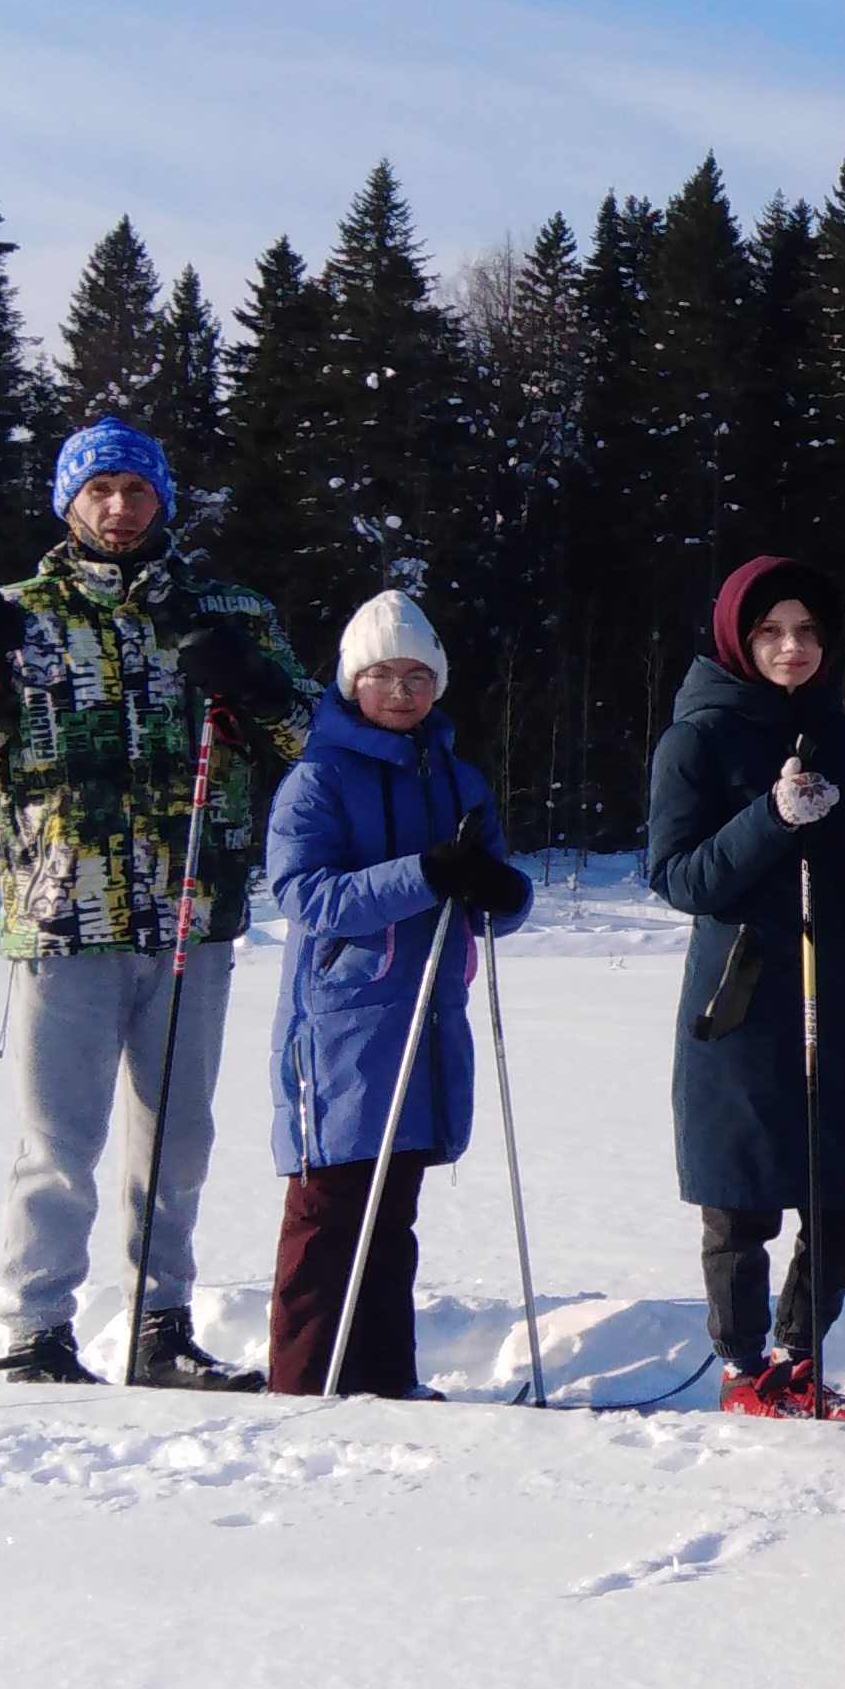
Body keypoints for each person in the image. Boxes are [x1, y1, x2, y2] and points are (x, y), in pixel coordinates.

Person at [0, 417, 312, 1390]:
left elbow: (306, 738)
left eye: (136, 489)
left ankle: (160, 1326)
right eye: (99, 490)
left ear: (162, 498)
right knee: (59, 1140)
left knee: (177, 1136)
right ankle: (34, 1329)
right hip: (59, 915)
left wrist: (252, 683)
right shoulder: (13, 614)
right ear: (68, 502)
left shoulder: (229, 609)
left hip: (190, 913)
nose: (118, 507)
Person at [647, 556, 845, 1421]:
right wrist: (770, 819)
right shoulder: (698, 736)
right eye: (771, 630)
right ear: (739, 635)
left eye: (806, 631)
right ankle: (744, 1370)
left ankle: (797, 1356)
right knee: (742, 1196)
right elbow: (680, 877)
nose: (792, 647)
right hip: (743, 997)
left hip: (838, 987)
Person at [258, 591, 533, 1398]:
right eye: (384, 675)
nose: (403, 692)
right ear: (352, 682)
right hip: (342, 1025)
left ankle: (384, 1381)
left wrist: (495, 889)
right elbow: (306, 897)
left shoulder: (458, 778)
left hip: (428, 1018)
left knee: (393, 1213)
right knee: (328, 1212)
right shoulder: (317, 778)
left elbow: (499, 899)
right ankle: (305, 1383)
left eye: (418, 675)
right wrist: (423, 874)